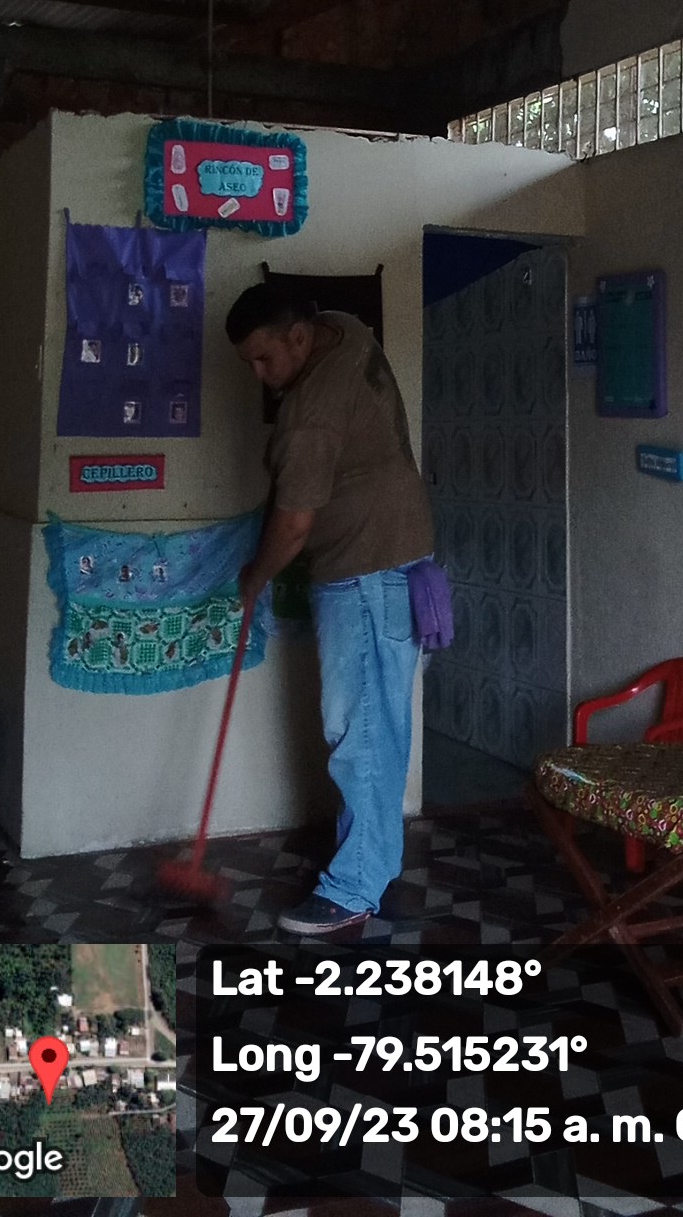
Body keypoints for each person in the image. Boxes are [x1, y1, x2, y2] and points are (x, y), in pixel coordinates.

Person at [225, 280, 433, 936]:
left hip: (364, 574)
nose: (260, 375)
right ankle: (376, 866)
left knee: (359, 733)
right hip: (401, 561)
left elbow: (293, 526)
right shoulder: (346, 328)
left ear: (298, 336)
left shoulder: (309, 412)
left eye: (264, 358)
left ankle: (353, 888)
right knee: (382, 730)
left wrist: (254, 577)